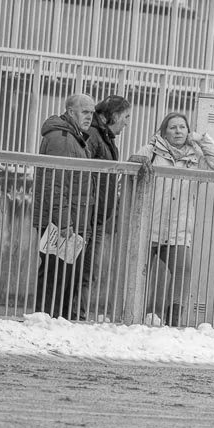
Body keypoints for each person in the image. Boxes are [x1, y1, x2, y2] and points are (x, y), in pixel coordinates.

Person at [136, 113, 214, 327]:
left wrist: (202, 139)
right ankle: (132, 315)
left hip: (178, 228)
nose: (178, 131)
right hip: (148, 225)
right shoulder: (149, 151)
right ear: (163, 131)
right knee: (139, 272)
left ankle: (174, 320)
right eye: (173, 127)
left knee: (182, 270)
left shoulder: (195, 156)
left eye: (182, 127)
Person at [33, 93, 95, 318]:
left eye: (92, 112)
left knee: (62, 276)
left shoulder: (72, 137)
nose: (90, 117)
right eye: (85, 112)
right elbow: (56, 184)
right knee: (56, 276)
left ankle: (52, 320)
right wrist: (64, 222)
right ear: (71, 112)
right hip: (62, 223)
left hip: (69, 220)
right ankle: (48, 320)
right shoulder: (63, 139)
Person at [80, 95, 132, 318]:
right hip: (89, 215)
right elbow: (84, 174)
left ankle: (76, 314)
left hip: (96, 215)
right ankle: (75, 316)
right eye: (126, 117)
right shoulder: (94, 135)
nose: (127, 123)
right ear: (115, 115)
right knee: (84, 270)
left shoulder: (103, 136)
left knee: (88, 270)